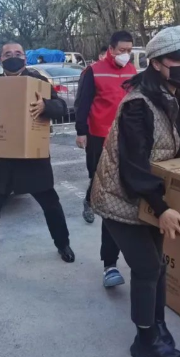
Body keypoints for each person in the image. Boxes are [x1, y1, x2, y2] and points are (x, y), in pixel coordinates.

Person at [91, 26, 180, 357]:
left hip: (150, 190)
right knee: (147, 266)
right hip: (120, 196)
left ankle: (158, 324)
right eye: (178, 59)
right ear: (156, 63)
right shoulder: (137, 105)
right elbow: (133, 166)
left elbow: (178, 135)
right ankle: (144, 339)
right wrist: (162, 208)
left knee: (158, 265)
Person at [0, 42, 76, 275]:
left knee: (51, 205)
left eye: (17, 53)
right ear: (0, 59)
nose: (13, 57)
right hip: (3, 160)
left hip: (33, 160)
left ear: (25, 58)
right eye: (8, 54)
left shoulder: (38, 82)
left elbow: (61, 107)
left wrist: (45, 105)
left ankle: (63, 244)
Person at [74, 31, 137, 288]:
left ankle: (96, 200)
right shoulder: (93, 71)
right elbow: (83, 103)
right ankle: (92, 200)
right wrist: (81, 131)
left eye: (129, 50)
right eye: (122, 50)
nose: (126, 54)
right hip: (99, 135)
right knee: (98, 178)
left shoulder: (132, 70)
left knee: (119, 190)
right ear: (111, 49)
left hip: (126, 137)